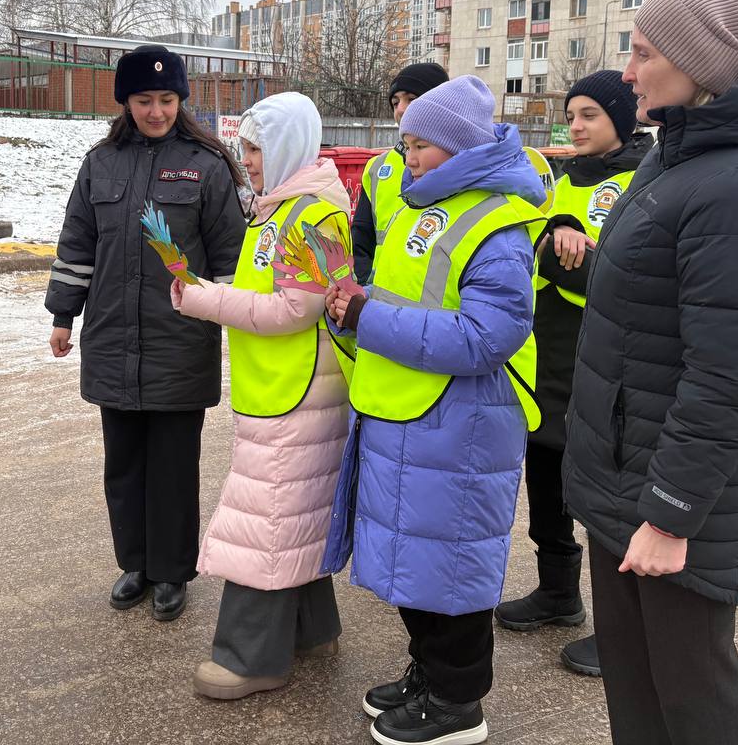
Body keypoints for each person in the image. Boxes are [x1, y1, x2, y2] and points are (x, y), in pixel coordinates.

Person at [563, 0, 738, 744]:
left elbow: (727, 376)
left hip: (674, 497)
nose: (629, 72)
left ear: (698, 63)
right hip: (622, 470)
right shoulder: (675, 158)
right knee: (637, 694)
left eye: (643, 53)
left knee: (693, 701)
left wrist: (670, 518)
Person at [321, 76, 547, 745]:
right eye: (406, 142)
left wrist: (371, 316)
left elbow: (488, 336)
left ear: (459, 146)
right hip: (412, 412)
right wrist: (352, 308)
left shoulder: (495, 223)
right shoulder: (426, 209)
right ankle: (429, 671)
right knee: (417, 565)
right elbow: (408, 301)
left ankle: (458, 704)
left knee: (451, 570)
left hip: (463, 422)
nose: (407, 156)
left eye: (421, 145)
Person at [47, 44, 245, 622]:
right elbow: (77, 244)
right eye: (143, 100)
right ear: (125, 102)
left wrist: (236, 320)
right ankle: (134, 562)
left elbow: (231, 257)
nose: (155, 110)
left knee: (173, 465)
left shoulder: (206, 166)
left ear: (180, 100)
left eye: (165, 99)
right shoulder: (99, 164)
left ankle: (172, 571)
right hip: (111, 336)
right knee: (124, 462)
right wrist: (64, 314)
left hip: (180, 340)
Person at [171, 92, 353, 700]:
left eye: (256, 148)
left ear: (285, 147)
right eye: (245, 147)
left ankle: (251, 659)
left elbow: (296, 309)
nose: (246, 159)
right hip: (282, 391)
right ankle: (310, 633)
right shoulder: (283, 209)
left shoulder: (310, 215)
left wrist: (204, 300)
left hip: (296, 393)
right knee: (290, 514)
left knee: (264, 522)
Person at [494, 71, 653, 678]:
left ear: (621, 116)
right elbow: (534, 252)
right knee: (549, 474)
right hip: (551, 359)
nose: (576, 126)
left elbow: (632, 278)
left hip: (609, 362)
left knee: (609, 497)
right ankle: (559, 593)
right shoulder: (560, 181)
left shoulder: (642, 178)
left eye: (589, 114)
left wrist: (577, 257)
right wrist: (553, 242)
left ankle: (627, 632)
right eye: (572, 115)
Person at [352, 62, 450, 283]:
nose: (401, 109)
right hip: (378, 292)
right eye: (395, 102)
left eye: (411, 99)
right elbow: (361, 239)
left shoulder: (455, 163)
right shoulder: (377, 168)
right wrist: (365, 284)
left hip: (430, 296)